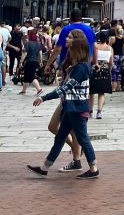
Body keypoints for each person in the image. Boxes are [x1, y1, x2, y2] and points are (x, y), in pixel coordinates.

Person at [28, 31, 99, 179]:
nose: (66, 38)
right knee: (60, 137)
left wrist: (44, 98)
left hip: (77, 108)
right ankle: (45, 167)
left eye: (69, 37)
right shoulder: (77, 65)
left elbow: (64, 89)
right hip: (71, 108)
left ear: (76, 43)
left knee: (83, 138)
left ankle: (93, 168)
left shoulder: (81, 68)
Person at [89, 31, 113, 119]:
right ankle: (99, 112)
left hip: (94, 69)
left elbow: (91, 58)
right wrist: (109, 70)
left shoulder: (95, 46)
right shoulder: (110, 48)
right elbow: (111, 62)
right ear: (107, 38)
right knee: (101, 92)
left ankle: (90, 111)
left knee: (91, 92)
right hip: (105, 70)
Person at [19, 29, 44, 96]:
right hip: (35, 62)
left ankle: (39, 89)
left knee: (30, 76)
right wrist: (40, 61)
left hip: (29, 61)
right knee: (26, 76)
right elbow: (40, 53)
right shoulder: (38, 44)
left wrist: (21, 62)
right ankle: (23, 90)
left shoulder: (28, 44)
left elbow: (24, 54)